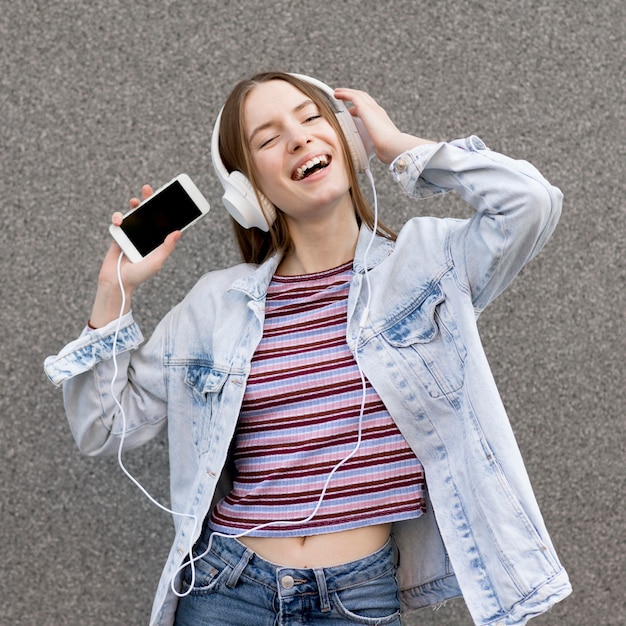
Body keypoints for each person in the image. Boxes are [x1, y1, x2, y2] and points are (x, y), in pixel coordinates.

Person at [44, 71, 572, 626]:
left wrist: (394, 147)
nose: (297, 139)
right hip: (225, 586)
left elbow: (529, 203)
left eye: (312, 118)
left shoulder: (428, 266)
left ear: (349, 138)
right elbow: (103, 428)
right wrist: (115, 291)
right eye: (268, 139)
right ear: (249, 193)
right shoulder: (213, 307)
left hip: (357, 598)